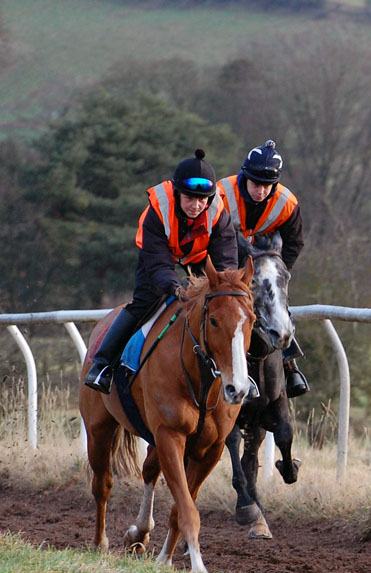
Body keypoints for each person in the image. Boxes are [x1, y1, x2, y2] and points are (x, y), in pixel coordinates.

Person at [83, 149, 239, 393]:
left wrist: (223, 289)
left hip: (200, 258)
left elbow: (226, 262)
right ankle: (103, 364)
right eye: (189, 198)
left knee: (232, 308)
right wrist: (176, 287)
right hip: (158, 257)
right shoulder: (157, 212)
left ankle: (246, 373)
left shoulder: (220, 215)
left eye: (202, 200)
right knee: (145, 301)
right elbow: (158, 266)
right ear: (177, 194)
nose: (196, 205)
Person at [217, 139, 309, 398]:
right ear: (244, 176)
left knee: (274, 301)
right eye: (256, 184)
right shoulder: (221, 194)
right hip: (219, 262)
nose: (261, 191)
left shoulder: (287, 202)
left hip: (259, 264)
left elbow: (295, 242)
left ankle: (290, 365)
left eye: (267, 186)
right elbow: (209, 236)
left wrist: (278, 275)